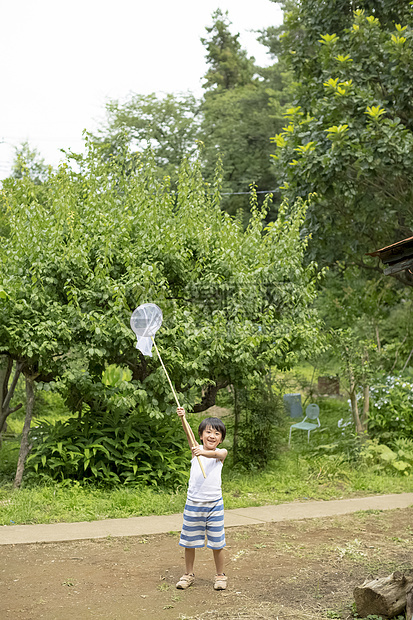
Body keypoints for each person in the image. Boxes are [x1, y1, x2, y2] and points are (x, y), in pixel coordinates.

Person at [175, 406, 228, 591]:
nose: (212, 436)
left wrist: (202, 452)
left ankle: (220, 575)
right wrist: (183, 418)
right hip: (193, 504)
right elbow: (187, 432)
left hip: (214, 505)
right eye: (208, 432)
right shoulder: (195, 449)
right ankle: (188, 574)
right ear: (201, 435)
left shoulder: (221, 454)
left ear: (221, 438)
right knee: (189, 542)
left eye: (216, 433)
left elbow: (217, 454)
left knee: (217, 543)